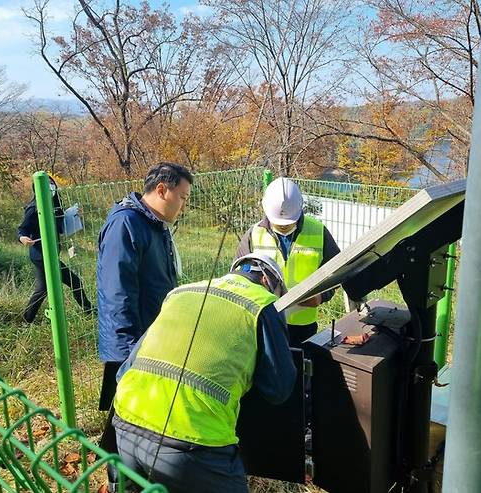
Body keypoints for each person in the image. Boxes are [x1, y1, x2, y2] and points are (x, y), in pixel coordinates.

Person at [112, 253, 297, 493]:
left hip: (125, 426)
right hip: (191, 443)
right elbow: (279, 389)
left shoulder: (182, 292)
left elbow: (125, 370)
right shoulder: (262, 303)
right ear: (266, 281)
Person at [96, 162, 193, 412]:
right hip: (132, 345)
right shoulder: (126, 224)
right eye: (182, 197)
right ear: (161, 190)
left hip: (152, 337)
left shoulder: (154, 224)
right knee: (127, 417)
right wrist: (129, 349)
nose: (184, 206)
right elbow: (117, 293)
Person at [235, 177, 340, 347]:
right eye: (279, 222)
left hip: (303, 327)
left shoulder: (319, 232)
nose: (283, 226)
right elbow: (239, 277)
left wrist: (322, 296)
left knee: (301, 369)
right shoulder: (254, 234)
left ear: (299, 209)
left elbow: (337, 272)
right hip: (265, 321)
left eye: (288, 222)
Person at [18, 177, 93, 323]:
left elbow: (61, 228)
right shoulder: (34, 208)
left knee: (43, 289)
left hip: (52, 253)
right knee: (74, 282)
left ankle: (27, 320)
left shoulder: (55, 204)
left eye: (52, 184)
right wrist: (23, 238)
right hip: (40, 255)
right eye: (46, 186)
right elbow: (22, 229)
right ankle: (89, 311)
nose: (50, 188)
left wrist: (73, 216)